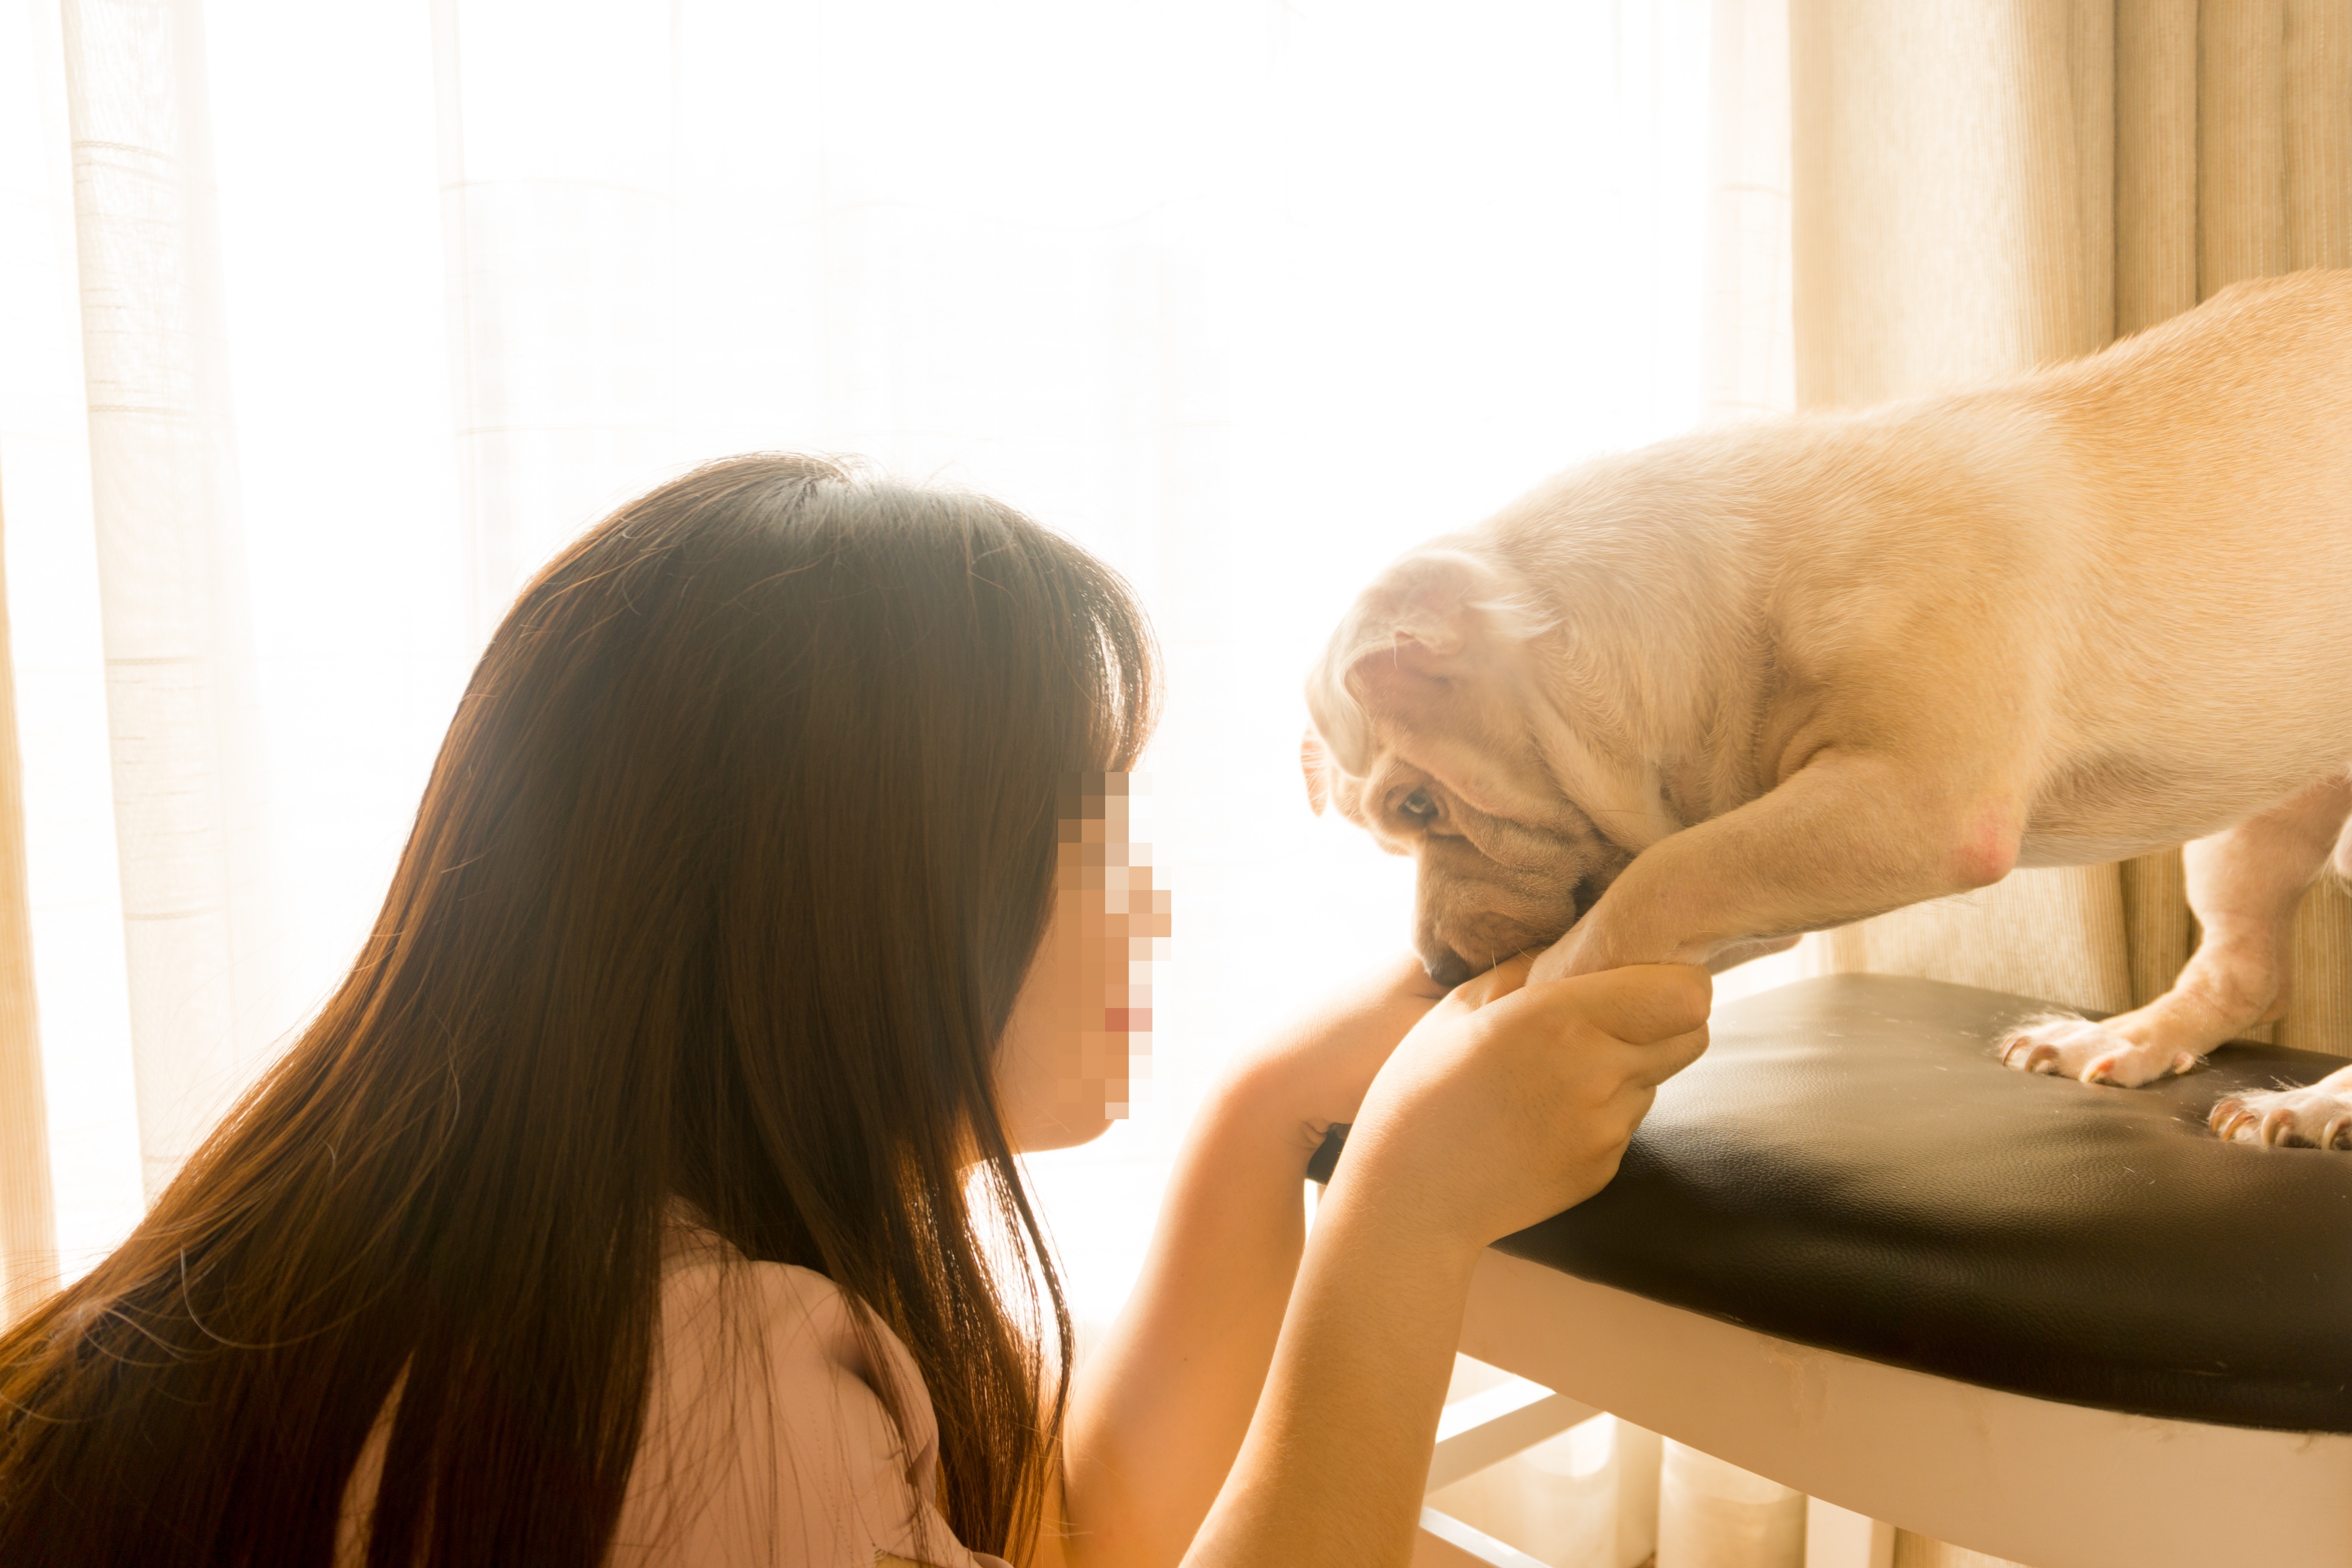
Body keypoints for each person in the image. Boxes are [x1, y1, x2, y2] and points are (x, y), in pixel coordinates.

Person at [0, 454, 1709, 1567]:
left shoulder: (550, 1265)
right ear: (867, 895)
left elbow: (1079, 1526)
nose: (1151, 908)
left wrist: (1269, 1116)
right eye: (1089, 839)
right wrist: (1401, 1222)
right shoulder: (701, 1393)